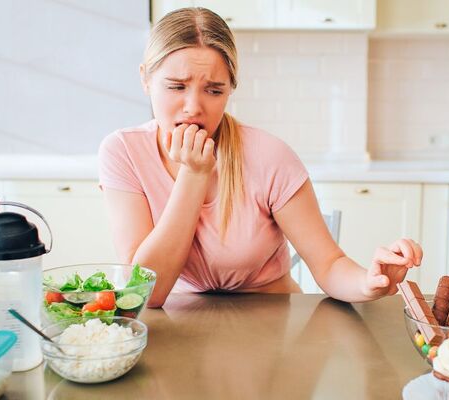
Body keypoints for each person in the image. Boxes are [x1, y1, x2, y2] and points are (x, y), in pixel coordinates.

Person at [98, 7, 423, 308]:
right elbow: (146, 293)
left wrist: (369, 282)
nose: (193, 107)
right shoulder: (123, 152)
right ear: (145, 79)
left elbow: (328, 264)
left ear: (230, 90)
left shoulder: (269, 156)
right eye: (176, 86)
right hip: (181, 325)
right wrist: (193, 176)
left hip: (276, 323)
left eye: (214, 91)